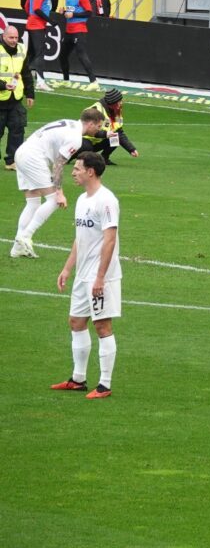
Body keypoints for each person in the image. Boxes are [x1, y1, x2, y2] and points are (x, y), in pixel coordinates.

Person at [50, 151, 120, 399]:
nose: (73, 172)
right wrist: (68, 268)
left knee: (102, 325)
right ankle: (78, 379)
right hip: (82, 274)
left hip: (102, 275)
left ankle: (105, 384)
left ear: (91, 171)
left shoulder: (107, 200)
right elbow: (80, 239)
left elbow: (109, 240)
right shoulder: (81, 200)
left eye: (78, 168)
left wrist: (100, 277)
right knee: (76, 322)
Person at [12, 107, 104, 258]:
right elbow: (59, 163)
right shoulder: (76, 138)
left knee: (33, 202)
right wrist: (59, 191)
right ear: (91, 124)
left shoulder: (69, 123)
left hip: (22, 152)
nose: (98, 130)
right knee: (55, 200)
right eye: (98, 126)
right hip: (34, 158)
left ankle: (17, 248)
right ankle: (25, 236)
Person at [0, 24, 34, 170]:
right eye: (11, 37)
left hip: (15, 98)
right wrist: (3, 85)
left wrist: (30, 93)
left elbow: (26, 72)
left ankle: (12, 161)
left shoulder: (21, 48)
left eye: (16, 37)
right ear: (3, 36)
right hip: (1, 98)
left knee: (18, 129)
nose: (14, 40)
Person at [56, 0, 96, 85]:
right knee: (62, 56)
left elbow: (89, 13)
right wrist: (63, 12)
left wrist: (73, 15)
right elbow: (71, 11)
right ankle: (66, 81)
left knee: (81, 55)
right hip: (69, 31)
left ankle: (93, 82)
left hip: (79, 30)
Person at [83, 88, 138, 164]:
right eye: (119, 102)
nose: (121, 103)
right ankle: (69, 156)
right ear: (112, 104)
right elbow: (88, 130)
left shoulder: (117, 111)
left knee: (116, 137)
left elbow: (119, 131)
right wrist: (105, 134)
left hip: (98, 141)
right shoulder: (96, 110)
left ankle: (104, 158)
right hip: (84, 139)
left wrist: (131, 149)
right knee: (86, 147)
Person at [23, 0, 55, 80]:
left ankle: (19, 76)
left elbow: (27, 6)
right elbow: (36, 8)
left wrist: (31, 16)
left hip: (33, 23)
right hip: (37, 25)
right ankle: (41, 81)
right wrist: (50, 20)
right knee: (39, 53)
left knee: (31, 53)